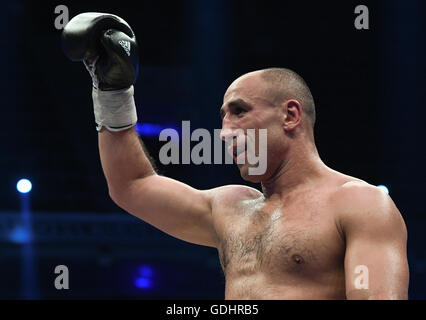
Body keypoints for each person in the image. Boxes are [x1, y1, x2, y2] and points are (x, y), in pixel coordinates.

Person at [62, 12, 409, 299]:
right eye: (223, 119)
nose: (226, 131)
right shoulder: (231, 208)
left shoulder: (361, 204)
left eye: (239, 111)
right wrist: (113, 93)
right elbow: (131, 185)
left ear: (290, 115)